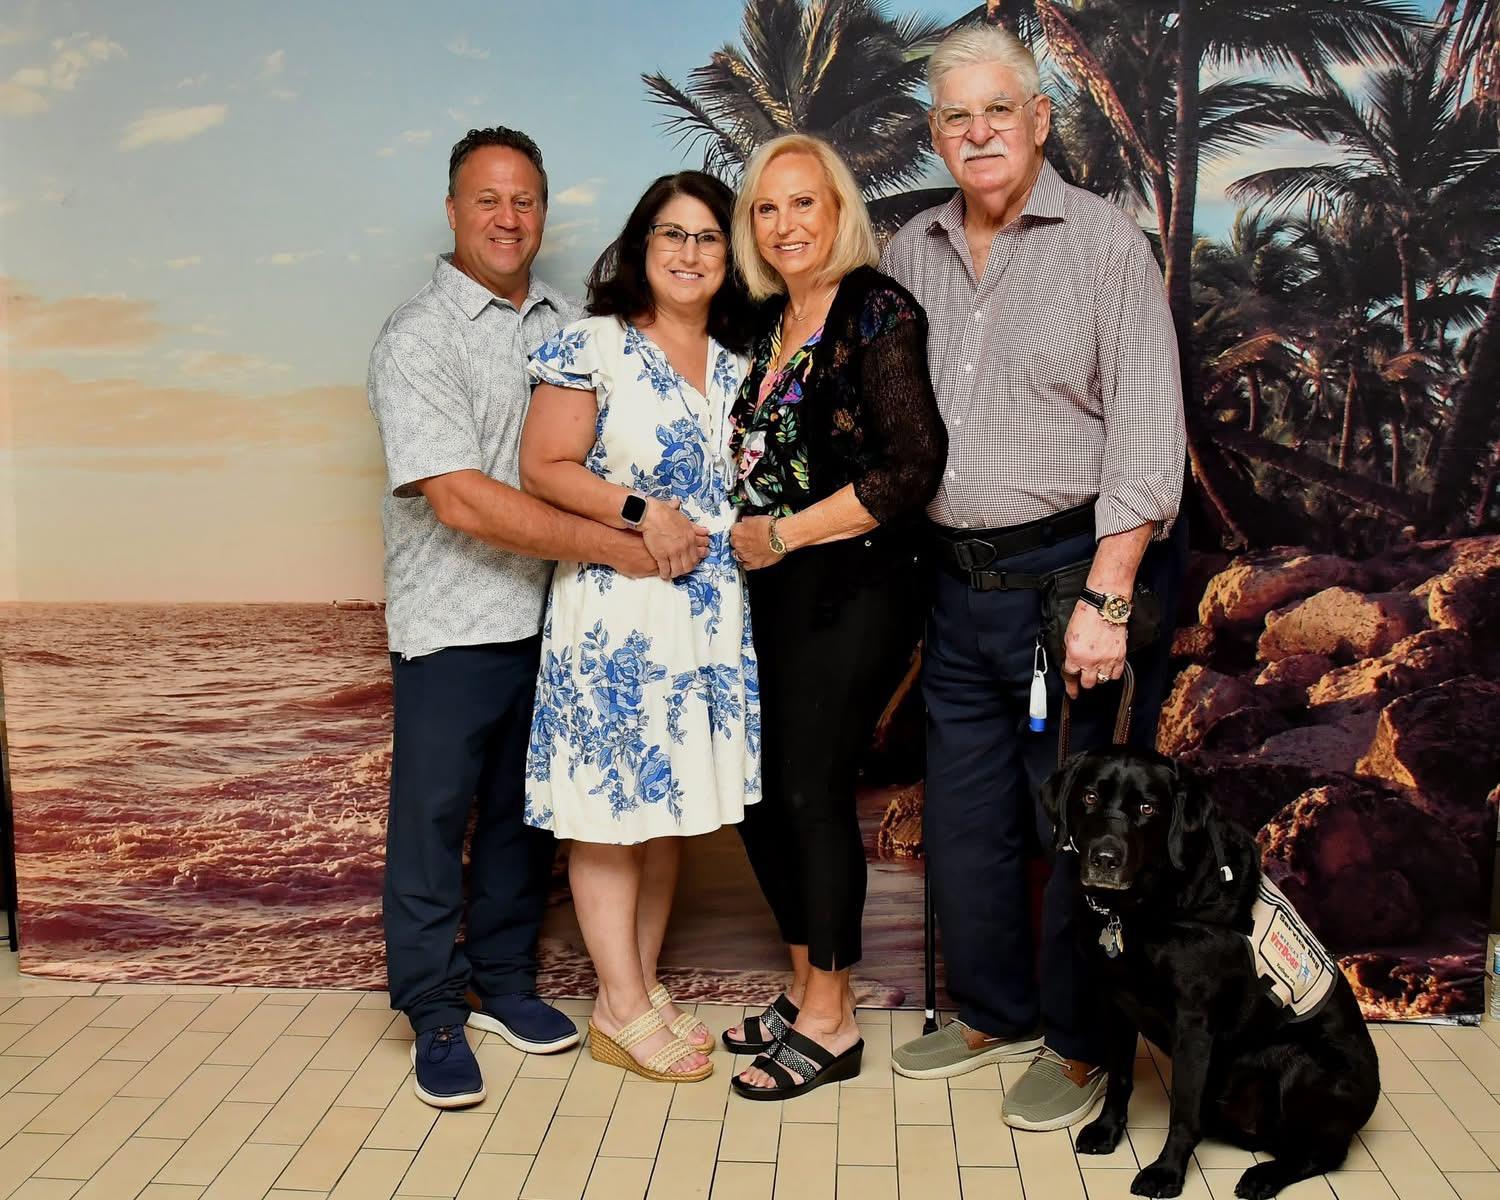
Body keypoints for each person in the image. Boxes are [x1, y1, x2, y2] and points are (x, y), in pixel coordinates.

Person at [880, 25, 1186, 1131]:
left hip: (1067, 588)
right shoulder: (910, 247)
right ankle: (993, 1012)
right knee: (965, 824)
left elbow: (1148, 440)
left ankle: (1080, 1042)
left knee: (1078, 832)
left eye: (998, 111)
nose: (978, 134)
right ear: (935, 133)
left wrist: (1109, 597)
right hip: (951, 591)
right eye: (955, 117)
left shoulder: (1105, 243)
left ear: (1041, 118)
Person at [368, 127, 671, 1110]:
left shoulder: (568, 325)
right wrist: (614, 545)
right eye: (487, 199)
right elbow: (458, 499)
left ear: (544, 211)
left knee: (519, 821)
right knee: (432, 823)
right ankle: (432, 1007)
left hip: (554, 621)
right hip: (452, 625)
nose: (507, 217)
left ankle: (502, 981)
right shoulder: (416, 338)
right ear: (453, 212)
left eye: (525, 200)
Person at [519, 171, 758, 1084]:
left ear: (727, 257)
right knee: (610, 818)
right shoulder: (595, 346)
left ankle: (640, 988)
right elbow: (543, 464)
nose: (690, 253)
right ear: (642, 244)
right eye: (673, 234)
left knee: (665, 816)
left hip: (703, 622)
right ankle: (616, 1006)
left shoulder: (740, 367)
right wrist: (639, 509)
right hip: (619, 620)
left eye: (707, 237)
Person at [722, 134, 948, 1100]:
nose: (786, 227)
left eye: (803, 204)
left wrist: (784, 535)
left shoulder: (876, 309)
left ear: (838, 209)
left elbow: (910, 467)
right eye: (767, 210)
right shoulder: (772, 322)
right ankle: (806, 982)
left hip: (856, 581)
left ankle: (834, 1019)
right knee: (764, 796)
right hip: (774, 593)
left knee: (812, 791)